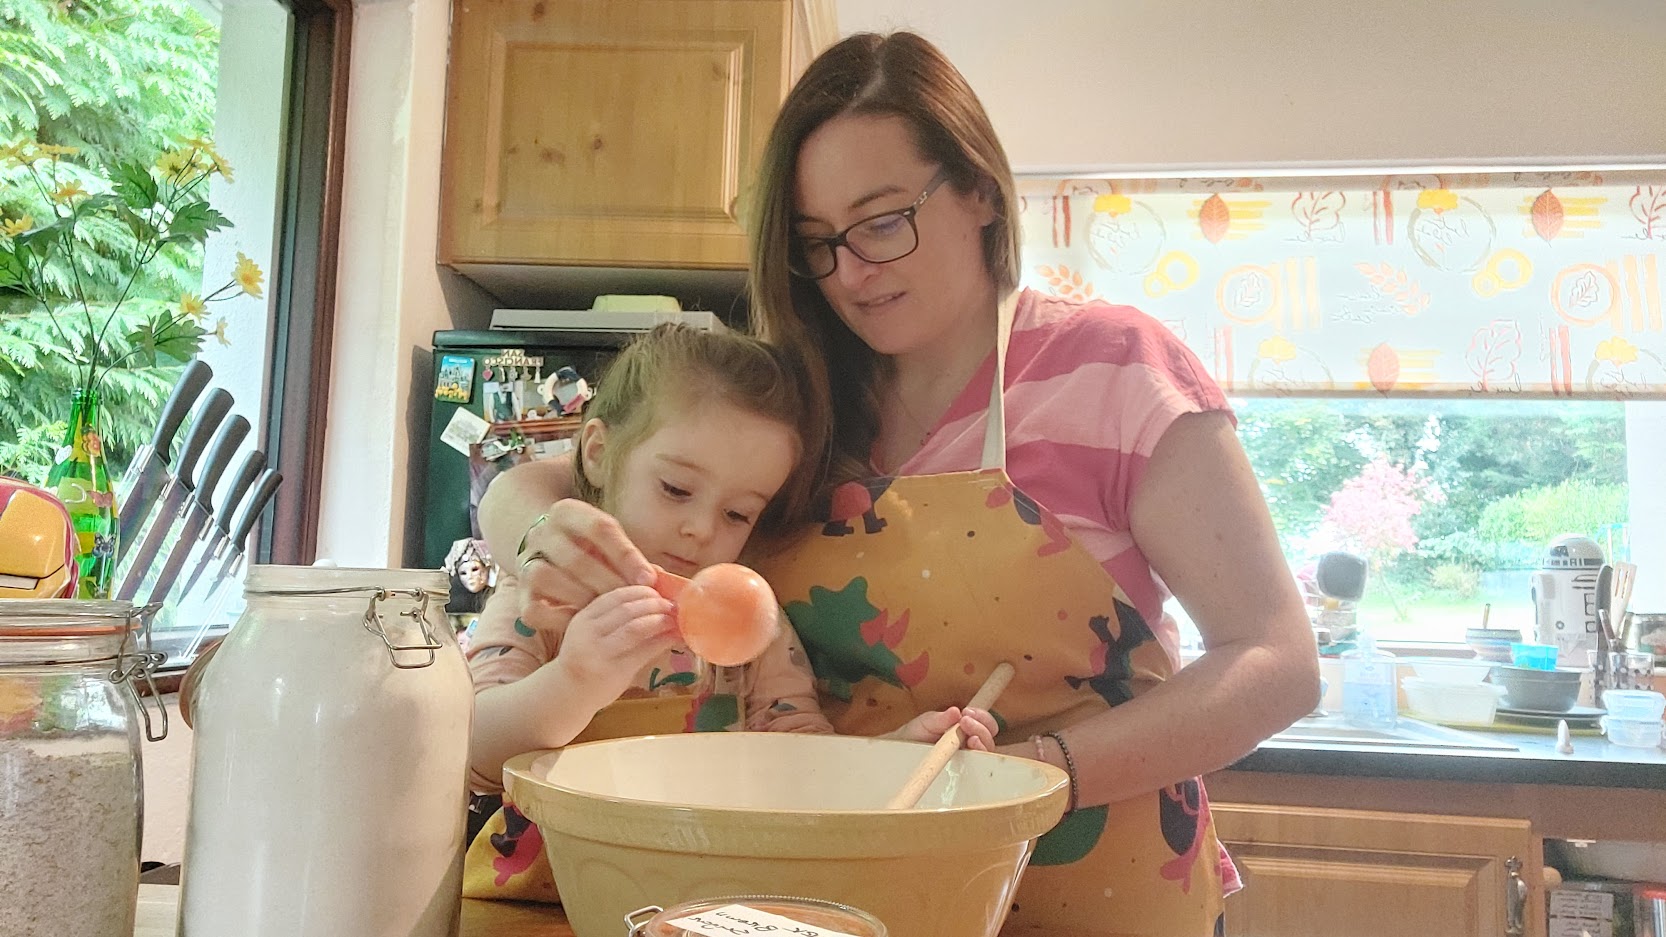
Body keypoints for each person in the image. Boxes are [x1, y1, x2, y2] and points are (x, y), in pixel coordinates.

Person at [480, 33, 1318, 934]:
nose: (851, 273)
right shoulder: (801, 403)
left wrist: (1026, 776)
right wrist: (546, 542)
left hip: (1094, 889)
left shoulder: (1110, 369)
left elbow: (1275, 662)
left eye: (882, 221)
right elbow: (541, 483)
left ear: (981, 191)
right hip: (825, 899)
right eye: (817, 244)